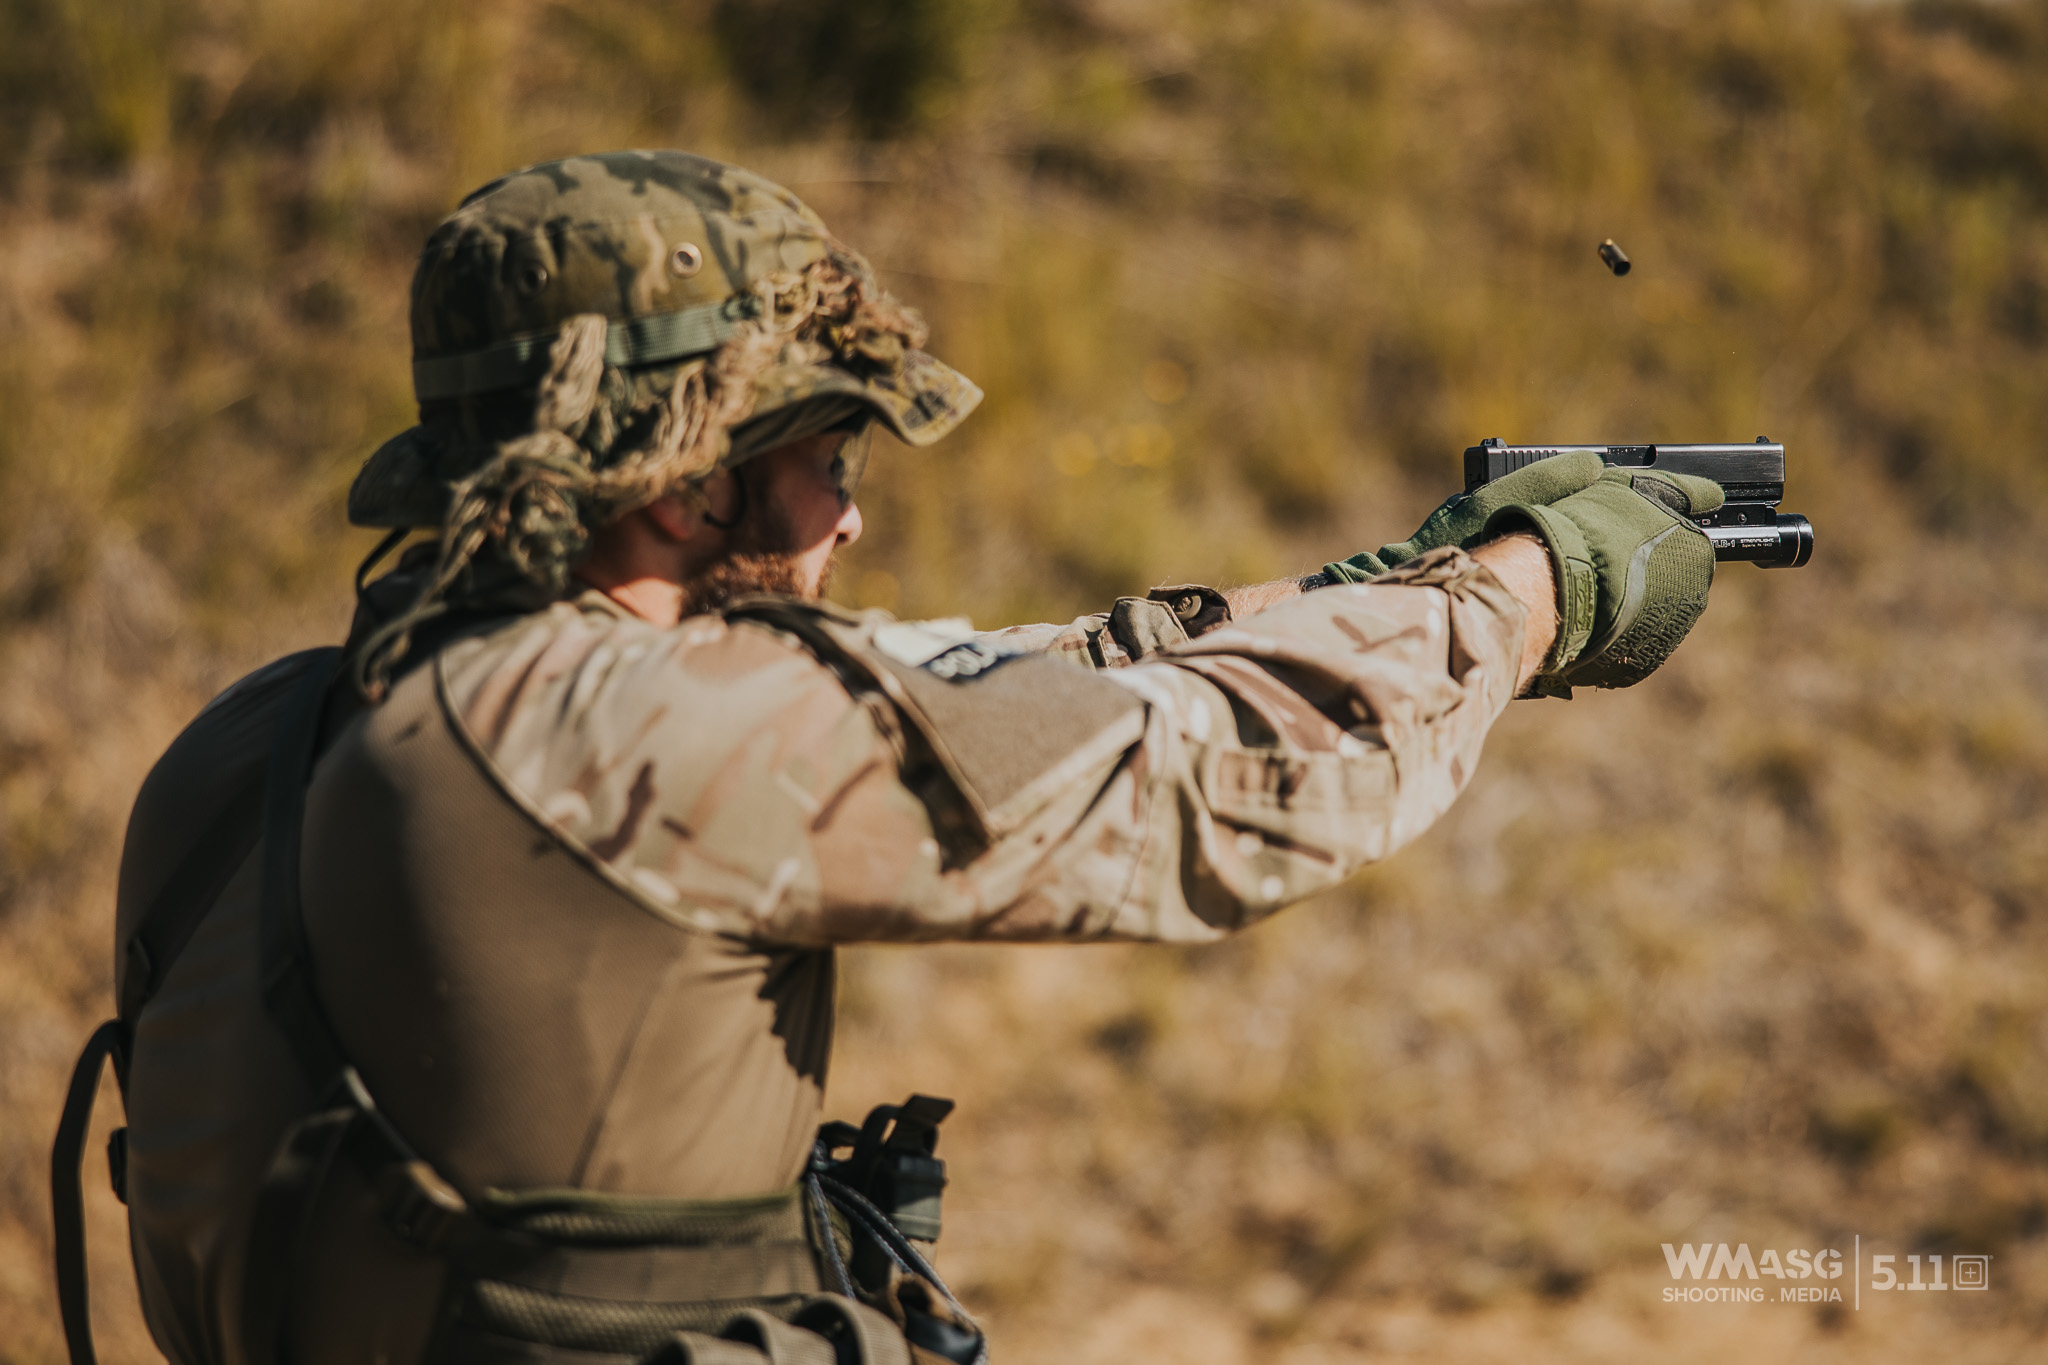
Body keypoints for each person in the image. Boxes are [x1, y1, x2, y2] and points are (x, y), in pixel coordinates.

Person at [72, 151, 1724, 1365]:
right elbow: (1233, 773)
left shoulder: (261, 737)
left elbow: (979, 674)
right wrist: (1535, 594)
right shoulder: (638, 743)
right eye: (827, 453)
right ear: (682, 488)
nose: (855, 513)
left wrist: (1380, 581)